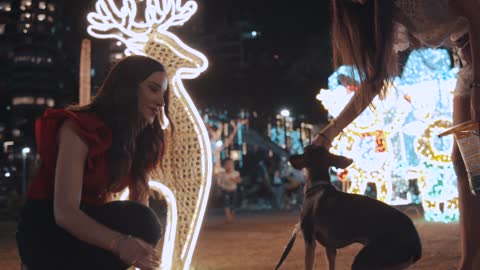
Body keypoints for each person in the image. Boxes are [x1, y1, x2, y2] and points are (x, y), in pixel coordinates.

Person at [315, 1, 480, 269]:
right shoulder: (381, 15)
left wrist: (478, 85)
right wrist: (328, 134)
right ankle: (468, 262)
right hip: (469, 66)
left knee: (475, 164)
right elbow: (374, 81)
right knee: (464, 161)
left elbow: (473, 11)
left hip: (477, 68)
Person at [16, 55, 171, 270]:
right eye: (153, 89)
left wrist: (140, 254)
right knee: (143, 222)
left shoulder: (137, 140)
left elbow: (139, 210)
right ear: (128, 87)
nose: (162, 102)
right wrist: (120, 244)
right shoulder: (79, 128)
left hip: (88, 220)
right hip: (48, 228)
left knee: (145, 222)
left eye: (163, 94)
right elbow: (65, 212)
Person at [216, 158, 241, 224]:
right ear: (224, 165)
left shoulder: (236, 173)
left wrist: (233, 179)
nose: (229, 166)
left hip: (233, 190)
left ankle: (231, 217)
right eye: (227, 164)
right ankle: (228, 217)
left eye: (230, 164)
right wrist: (219, 190)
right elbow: (219, 183)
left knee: (233, 204)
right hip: (225, 190)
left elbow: (239, 180)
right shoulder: (222, 174)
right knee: (226, 204)